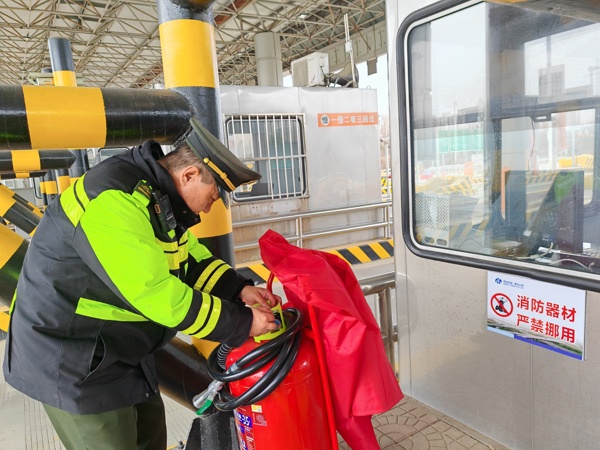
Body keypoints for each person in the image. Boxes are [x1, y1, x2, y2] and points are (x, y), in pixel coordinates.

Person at [3, 118, 281, 450]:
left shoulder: (153, 195)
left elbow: (187, 256)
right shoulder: (114, 202)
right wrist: (243, 323)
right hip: (73, 360)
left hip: (120, 350)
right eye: (212, 195)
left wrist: (238, 289)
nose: (210, 207)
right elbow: (157, 293)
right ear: (189, 175)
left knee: (151, 440)